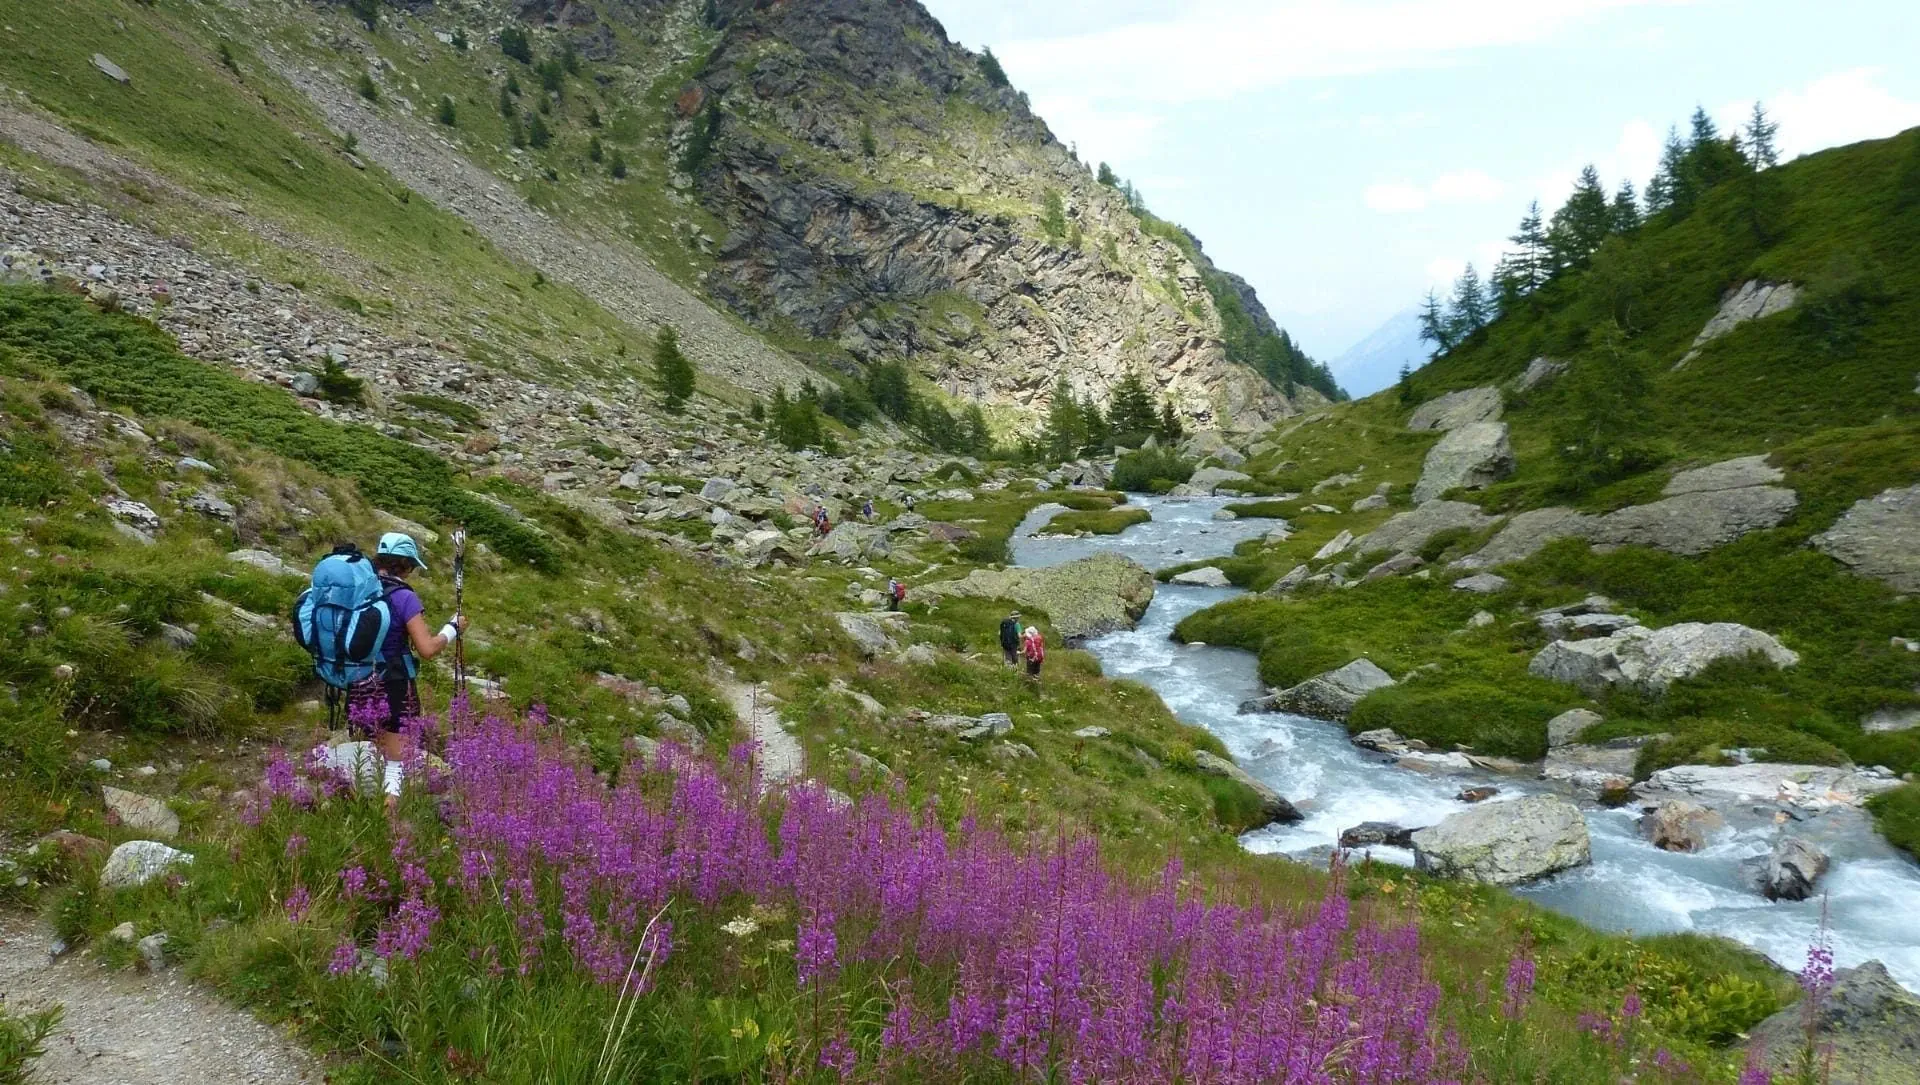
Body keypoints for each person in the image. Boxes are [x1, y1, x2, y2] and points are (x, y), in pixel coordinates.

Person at [349, 532, 465, 806]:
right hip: (395, 682)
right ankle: (389, 819)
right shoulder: (404, 597)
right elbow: (426, 649)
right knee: (397, 755)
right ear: (407, 565)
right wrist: (453, 629)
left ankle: (361, 808)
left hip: (358, 679)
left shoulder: (359, 589)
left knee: (370, 747)